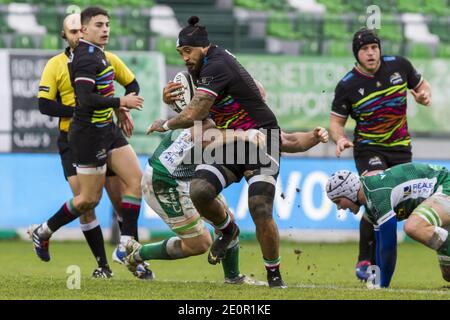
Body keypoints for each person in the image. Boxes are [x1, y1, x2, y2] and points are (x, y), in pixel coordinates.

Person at [148, 16, 290, 288]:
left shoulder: (217, 64)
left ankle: (274, 276)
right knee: (199, 190)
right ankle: (228, 230)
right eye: (180, 53)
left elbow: (198, 111)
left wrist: (165, 122)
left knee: (259, 207)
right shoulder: (202, 68)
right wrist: (172, 101)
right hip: (231, 140)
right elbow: (195, 110)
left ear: (203, 47)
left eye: (187, 51)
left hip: (263, 136)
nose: (184, 58)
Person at [125, 110, 328, 284]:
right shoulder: (215, 115)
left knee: (226, 219)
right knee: (200, 244)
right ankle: (136, 254)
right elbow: (203, 137)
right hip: (165, 181)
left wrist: (314, 136)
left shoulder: (246, 119)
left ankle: (233, 278)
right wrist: (243, 136)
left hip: (189, 178)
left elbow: (285, 140)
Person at [29, 6, 153, 279]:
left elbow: (130, 84)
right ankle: (45, 231)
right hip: (83, 136)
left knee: (136, 180)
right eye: (99, 25)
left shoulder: (103, 56)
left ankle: (126, 245)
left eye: (107, 24)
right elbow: (81, 100)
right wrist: (120, 101)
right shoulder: (80, 59)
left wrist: (122, 108)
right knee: (88, 200)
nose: (105, 29)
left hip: (107, 130)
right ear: (75, 33)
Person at [328, 27, 432, 280]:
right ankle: (365, 260)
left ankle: (376, 265)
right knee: (376, 193)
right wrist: (340, 138)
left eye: (374, 48)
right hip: (369, 149)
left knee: (392, 205)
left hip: (400, 147)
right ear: (357, 54)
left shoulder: (400, 66)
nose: (371, 53)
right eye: (365, 49)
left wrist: (423, 95)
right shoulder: (347, 85)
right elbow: (335, 122)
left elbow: (422, 86)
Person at [326, 162, 450, 288]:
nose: (339, 207)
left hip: (445, 184)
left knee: (413, 227)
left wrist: (383, 285)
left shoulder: (377, 195)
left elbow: (389, 247)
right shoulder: (370, 201)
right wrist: (377, 279)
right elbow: (379, 244)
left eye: (338, 201)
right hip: (439, 189)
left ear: (349, 191)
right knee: (448, 275)